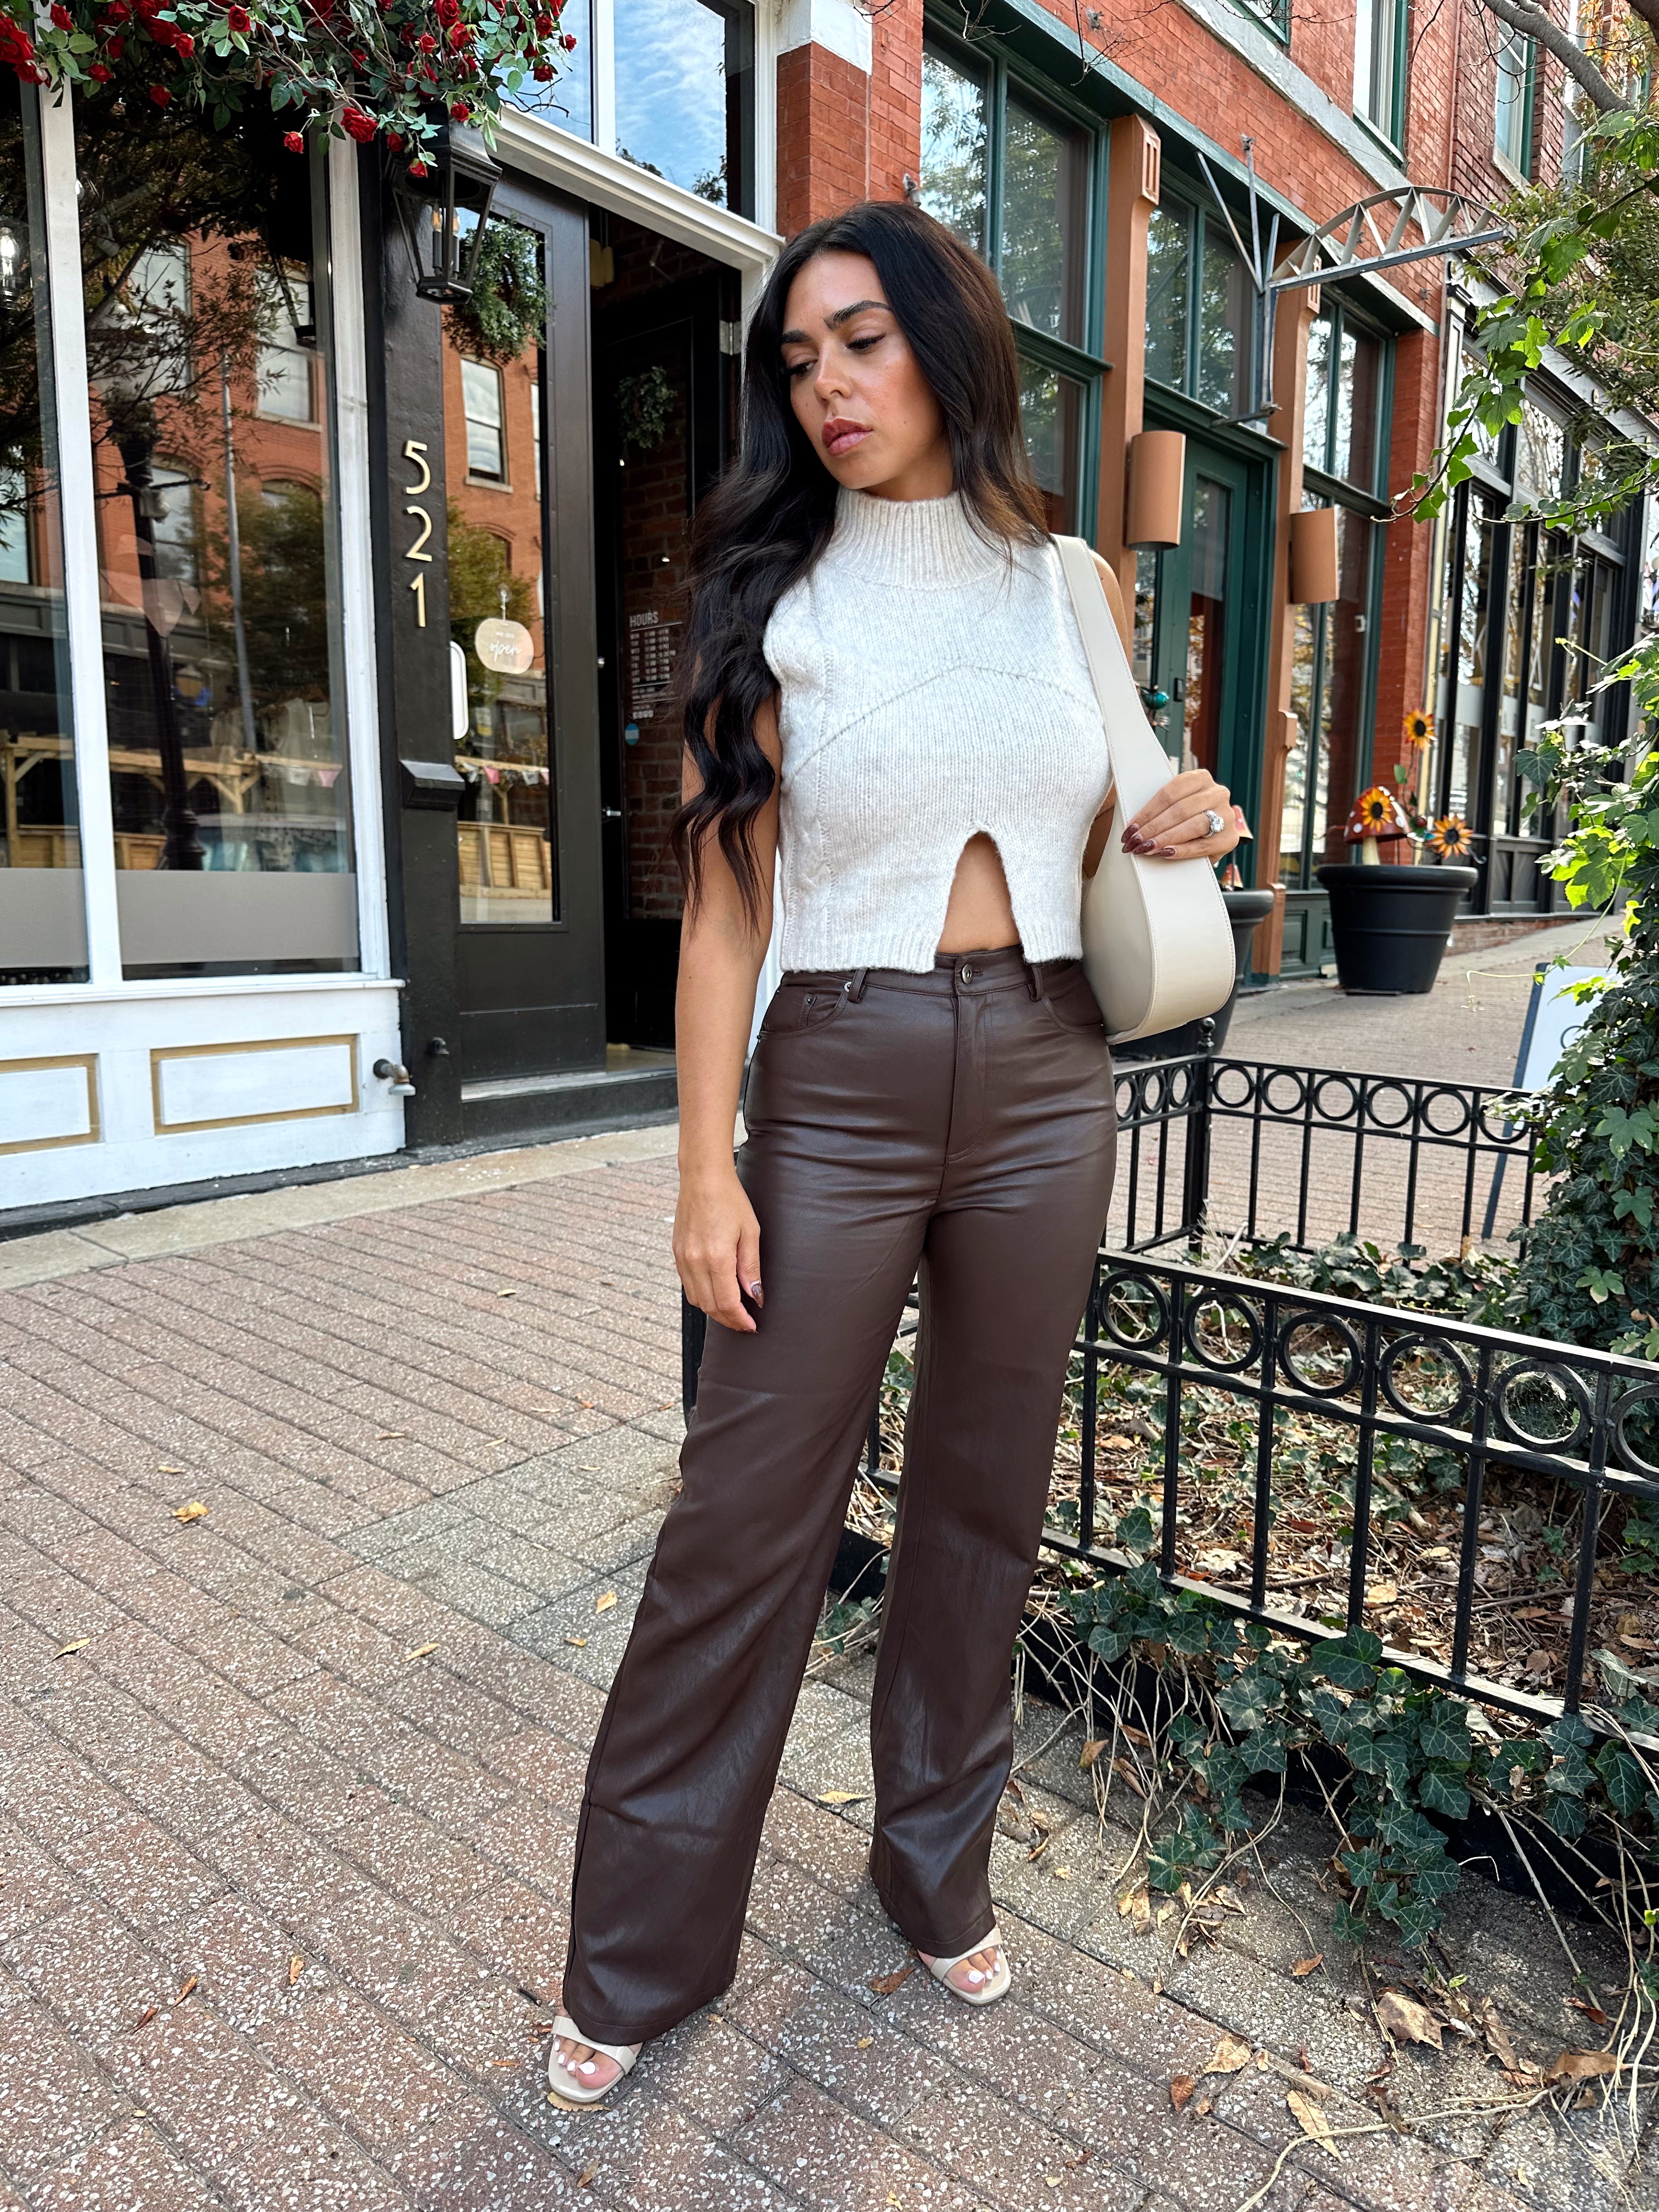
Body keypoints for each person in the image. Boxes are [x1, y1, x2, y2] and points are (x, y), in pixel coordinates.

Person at [549, 199, 1239, 2104]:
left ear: (946, 342)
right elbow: (716, 925)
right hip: (835, 1085)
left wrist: (1183, 812)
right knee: (743, 1526)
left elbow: (1114, 817)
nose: (830, 385)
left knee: (980, 1509)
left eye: (862, 340)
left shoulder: (1070, 588)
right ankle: (639, 1955)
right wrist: (707, 1174)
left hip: (1046, 1068)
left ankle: (933, 1875)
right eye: (799, 360)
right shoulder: (771, 603)